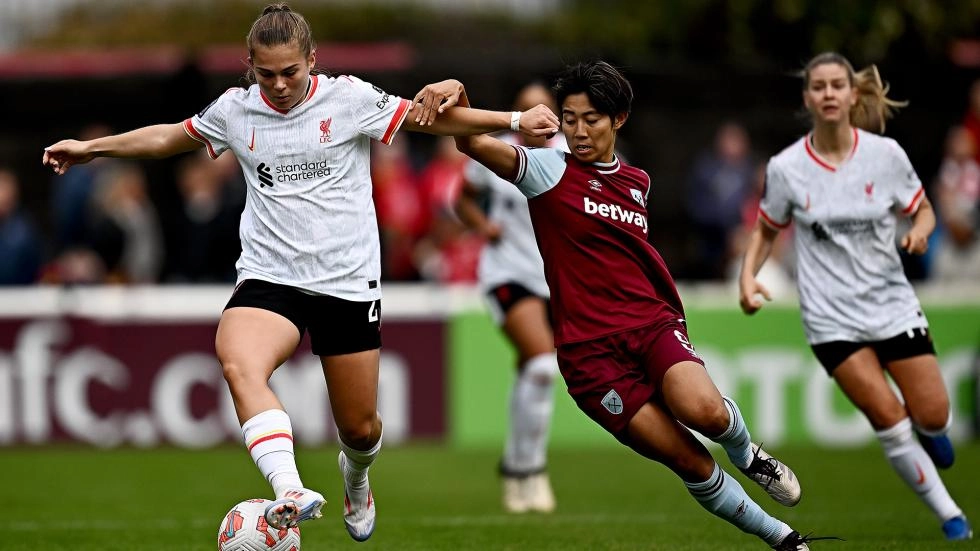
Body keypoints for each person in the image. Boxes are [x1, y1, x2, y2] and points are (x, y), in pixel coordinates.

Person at [41, 2, 559, 542]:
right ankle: (289, 490)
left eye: (291, 71)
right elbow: (171, 136)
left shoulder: (351, 98)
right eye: (267, 74)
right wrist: (93, 149)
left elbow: (435, 120)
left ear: (313, 59)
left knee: (359, 429)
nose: (281, 84)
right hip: (271, 275)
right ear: (249, 66)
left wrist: (515, 121)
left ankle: (356, 476)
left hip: (345, 282)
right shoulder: (235, 112)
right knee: (238, 360)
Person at [452, 60, 816, 550]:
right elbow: (467, 141)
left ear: (619, 119)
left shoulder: (638, 181)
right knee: (689, 461)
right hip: (589, 356)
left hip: (650, 324)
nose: (579, 131)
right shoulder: (544, 169)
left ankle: (748, 454)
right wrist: (487, 106)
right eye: (570, 118)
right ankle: (784, 539)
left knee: (705, 412)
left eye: (592, 119)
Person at [738, 52, 973, 542]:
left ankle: (932, 432)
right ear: (807, 98)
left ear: (851, 95)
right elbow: (764, 230)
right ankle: (950, 515)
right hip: (830, 319)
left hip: (891, 304)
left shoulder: (885, 156)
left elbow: (924, 210)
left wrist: (922, 233)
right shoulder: (787, 168)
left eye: (835, 85)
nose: (827, 93)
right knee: (888, 417)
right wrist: (748, 277)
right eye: (817, 86)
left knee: (931, 414)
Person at [453, 82, 563, 513]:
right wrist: (483, 226)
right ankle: (530, 470)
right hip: (507, 273)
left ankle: (515, 466)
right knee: (540, 364)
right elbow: (460, 199)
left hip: (554, 280)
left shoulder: (571, 156)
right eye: (523, 108)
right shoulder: (497, 152)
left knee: (529, 372)